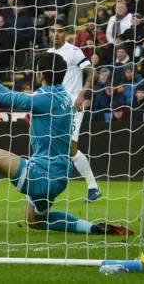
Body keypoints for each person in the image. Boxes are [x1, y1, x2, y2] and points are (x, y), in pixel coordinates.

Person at [0, 50, 133, 236]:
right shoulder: (63, 96)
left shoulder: (45, 97)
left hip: (42, 175)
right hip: (60, 176)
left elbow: (3, 96)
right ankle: (92, 228)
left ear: (41, 74)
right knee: (35, 221)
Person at [48, 19, 101, 202]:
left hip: (72, 107)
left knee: (70, 147)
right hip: (53, 108)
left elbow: (93, 73)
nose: (56, 34)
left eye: (60, 31)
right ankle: (49, 187)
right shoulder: (48, 54)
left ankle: (93, 187)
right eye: (53, 31)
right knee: (53, 147)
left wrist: (82, 95)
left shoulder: (74, 51)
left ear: (66, 34)